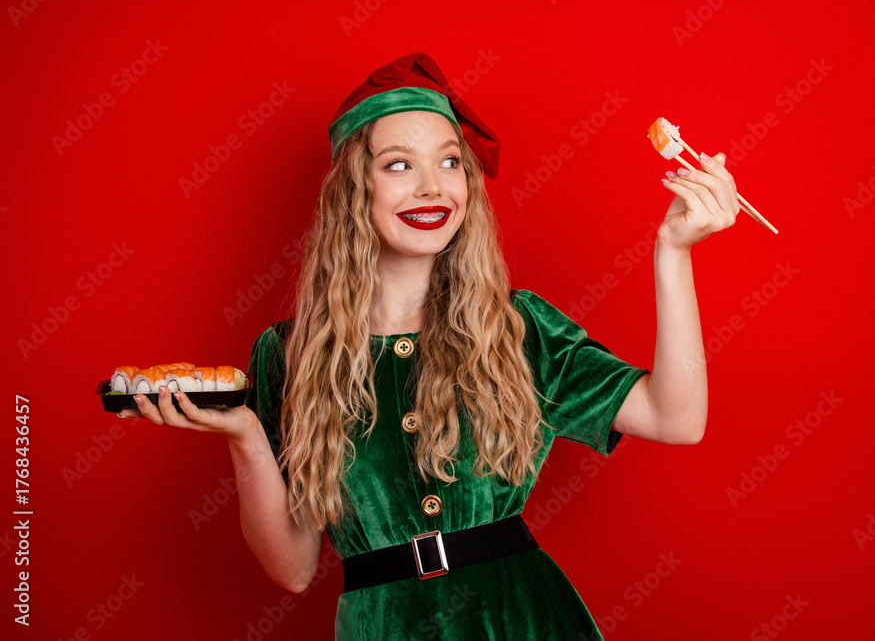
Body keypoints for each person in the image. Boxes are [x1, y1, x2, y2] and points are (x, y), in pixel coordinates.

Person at [120, 52, 740, 639]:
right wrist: (246, 436)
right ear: (353, 192)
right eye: (398, 165)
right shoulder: (288, 355)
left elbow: (676, 417)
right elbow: (293, 568)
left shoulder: (518, 329)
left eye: (449, 162)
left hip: (522, 618)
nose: (431, 187)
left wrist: (674, 253)